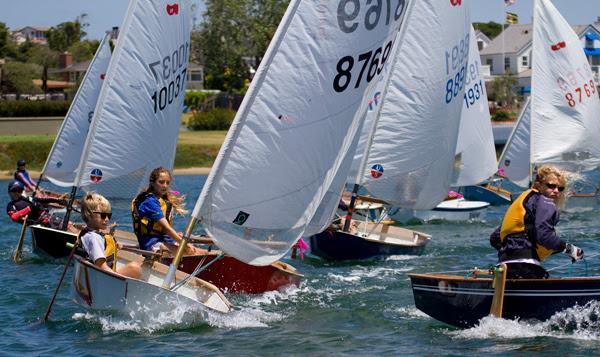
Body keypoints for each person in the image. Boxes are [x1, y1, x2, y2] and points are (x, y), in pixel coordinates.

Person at [490, 165, 584, 279]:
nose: (556, 191)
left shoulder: (523, 201)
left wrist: (515, 253)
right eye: (551, 186)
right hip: (526, 267)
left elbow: (495, 238)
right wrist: (571, 250)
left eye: (560, 188)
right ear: (538, 185)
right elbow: (543, 235)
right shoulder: (545, 202)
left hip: (503, 267)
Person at [131, 167, 205, 255]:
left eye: (167, 183)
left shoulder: (162, 199)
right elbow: (167, 228)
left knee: (203, 252)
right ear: (152, 183)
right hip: (151, 244)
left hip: (165, 239)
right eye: (161, 182)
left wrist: (177, 236)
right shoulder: (149, 202)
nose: (165, 185)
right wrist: (184, 244)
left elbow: (164, 230)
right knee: (188, 251)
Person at [79, 192, 141, 278]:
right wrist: (120, 279)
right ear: (89, 215)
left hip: (93, 277)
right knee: (134, 268)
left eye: (109, 215)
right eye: (103, 216)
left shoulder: (86, 234)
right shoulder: (94, 238)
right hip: (102, 279)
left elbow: (103, 246)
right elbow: (101, 266)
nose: (107, 219)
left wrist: (111, 237)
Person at [6, 180, 71, 230]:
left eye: (20, 190)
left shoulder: (27, 198)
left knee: (70, 225)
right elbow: (14, 217)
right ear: (9, 192)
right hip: (39, 223)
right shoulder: (11, 206)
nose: (17, 193)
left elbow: (42, 200)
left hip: (48, 217)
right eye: (15, 190)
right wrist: (29, 208)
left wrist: (57, 200)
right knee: (67, 226)